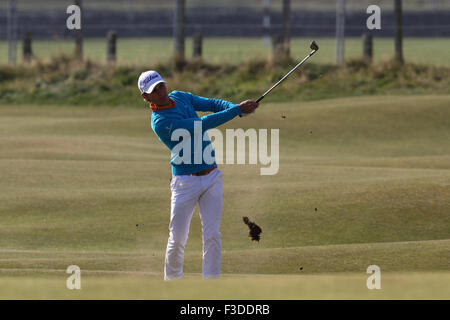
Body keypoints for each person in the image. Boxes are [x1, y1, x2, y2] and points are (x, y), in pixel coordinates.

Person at [138, 70, 258, 280]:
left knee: (212, 235)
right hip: (185, 183)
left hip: (212, 176)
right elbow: (201, 125)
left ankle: (211, 286)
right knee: (177, 238)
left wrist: (236, 109)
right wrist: (237, 110)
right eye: (154, 91)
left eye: (161, 86)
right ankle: (172, 284)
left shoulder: (180, 97)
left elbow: (212, 104)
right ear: (146, 97)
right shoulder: (160, 122)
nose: (160, 92)